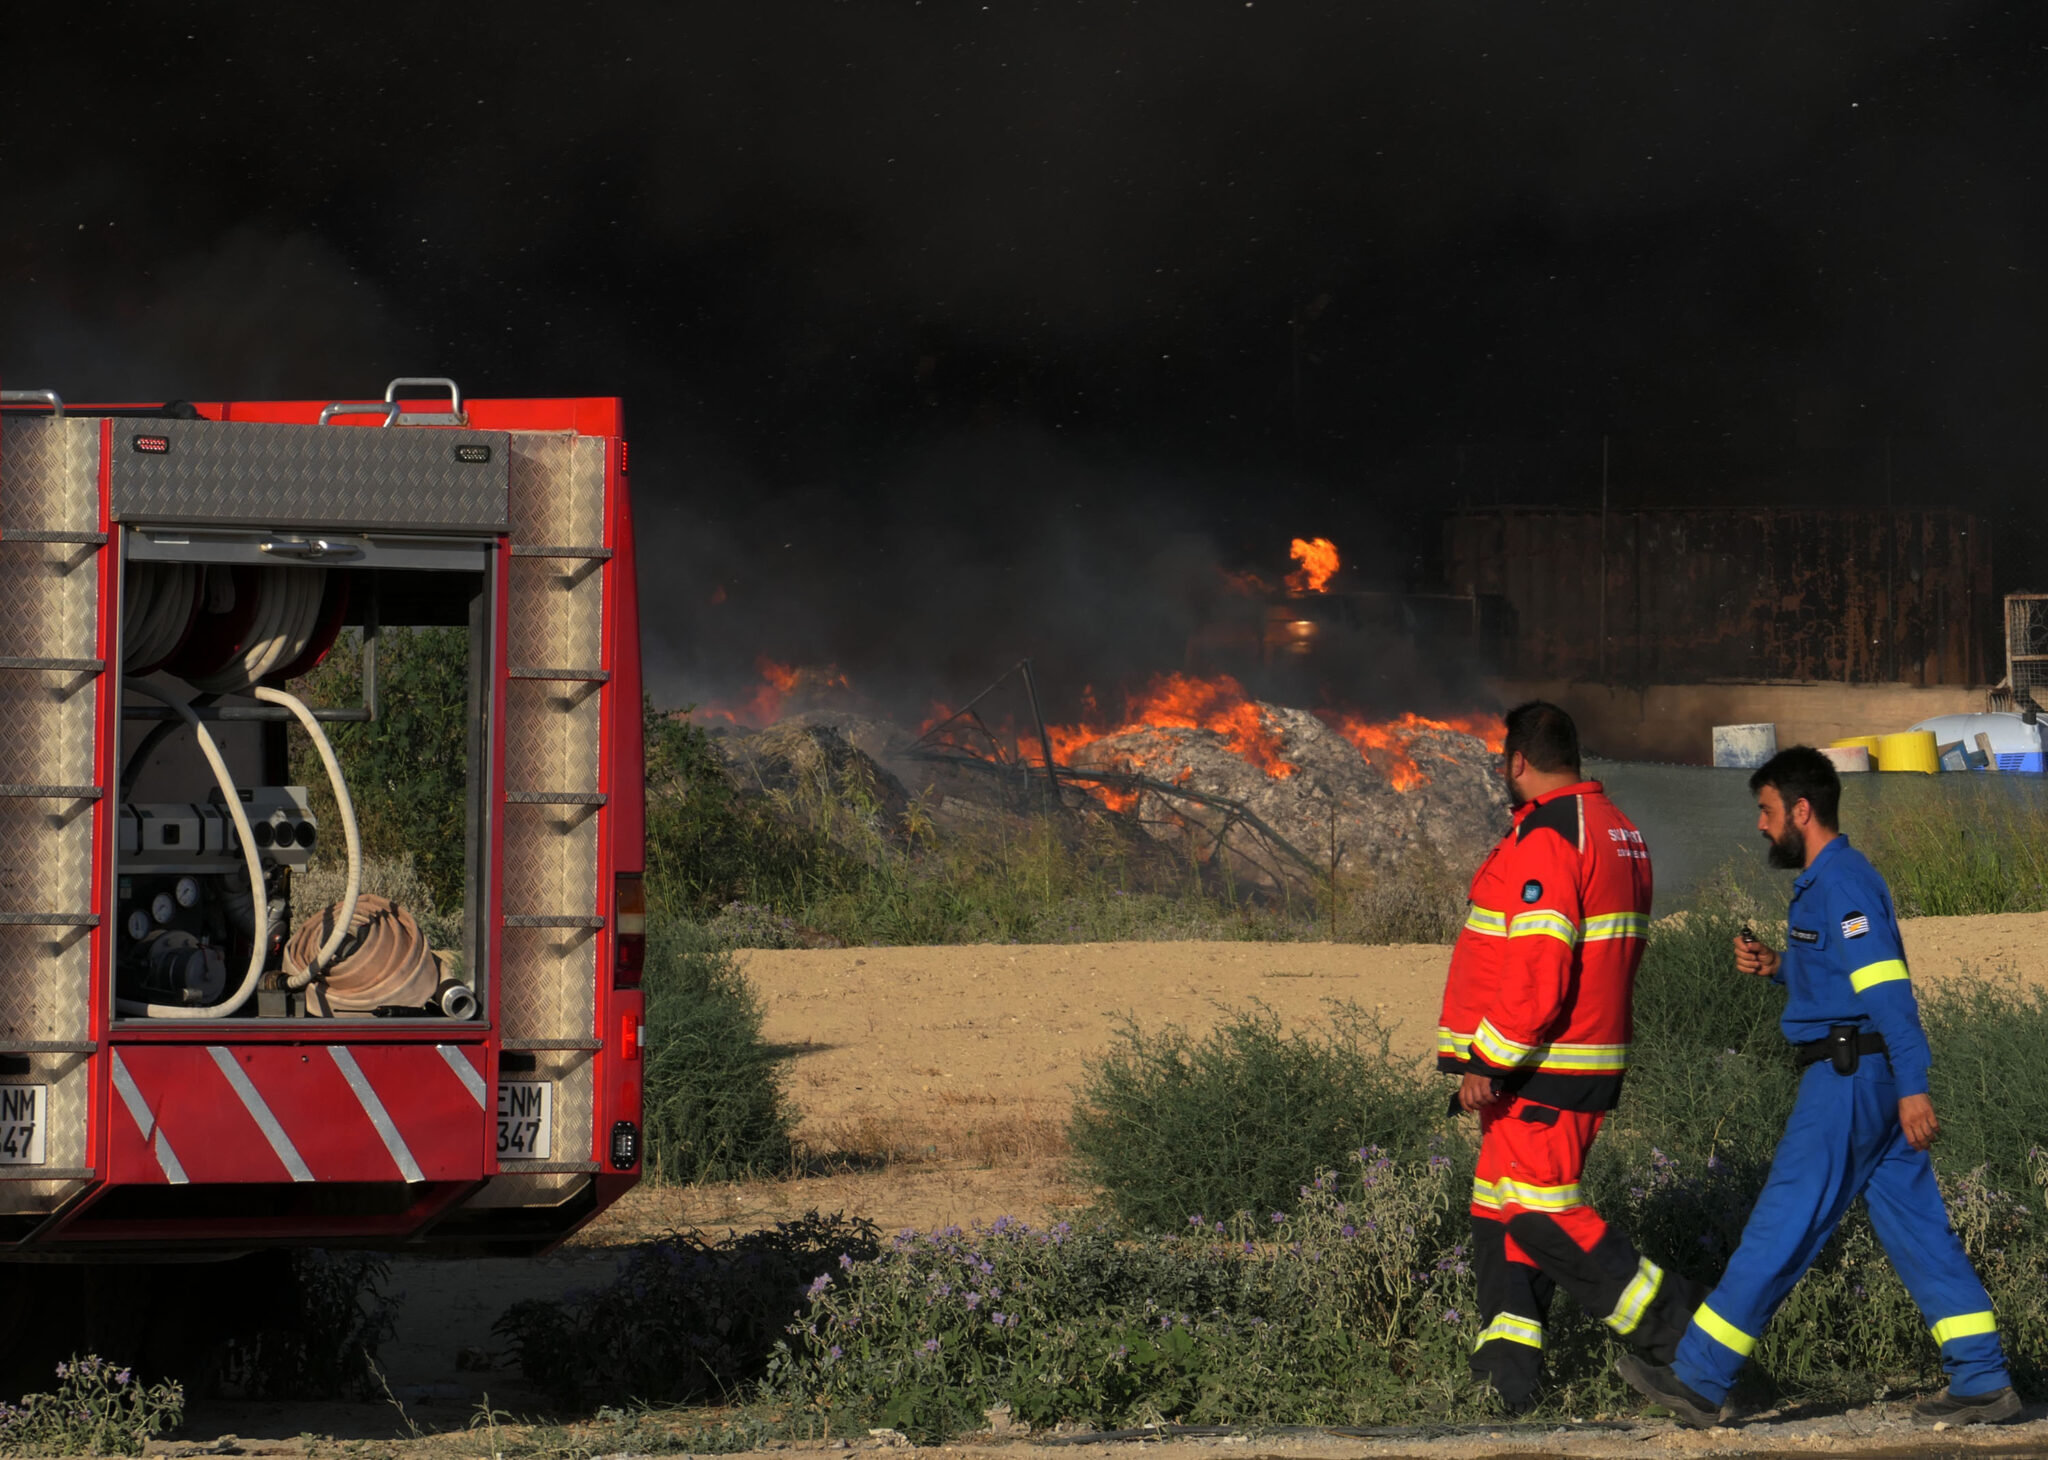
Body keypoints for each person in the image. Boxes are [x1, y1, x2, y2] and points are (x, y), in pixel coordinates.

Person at [1616, 746, 2020, 1427]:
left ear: (1803, 810)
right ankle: (1982, 1376)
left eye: (1767, 812)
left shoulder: (1842, 885)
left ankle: (1700, 1377)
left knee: (1782, 1223)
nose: (1760, 827)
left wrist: (1914, 1085)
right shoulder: (1825, 883)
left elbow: (1887, 989)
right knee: (1920, 1232)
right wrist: (1779, 969)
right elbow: (1842, 983)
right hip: (1867, 1076)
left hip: (1850, 1082)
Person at [1439, 701, 1701, 1412]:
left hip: (1547, 1063)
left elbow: (1538, 968)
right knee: (1498, 1209)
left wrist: (1488, 1057)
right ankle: (1506, 1384)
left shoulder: (1553, 835)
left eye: (1504, 762)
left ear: (1517, 762)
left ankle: (1693, 1346)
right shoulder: (1617, 829)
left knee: (1538, 1213)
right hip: (1573, 1055)